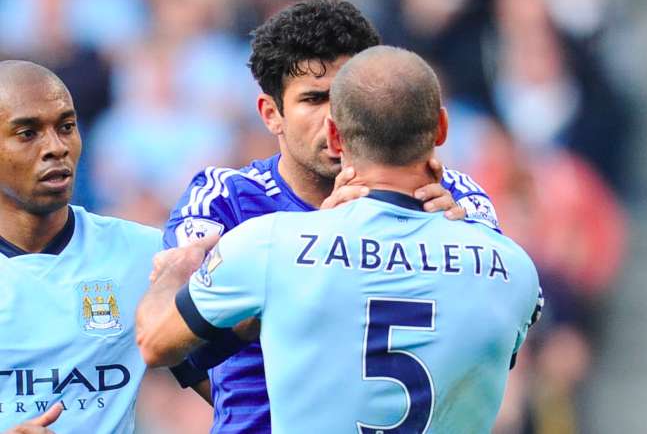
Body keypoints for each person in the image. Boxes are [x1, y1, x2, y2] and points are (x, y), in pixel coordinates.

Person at [136, 45, 542, 433]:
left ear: (337, 134)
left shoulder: (267, 243)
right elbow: (490, 349)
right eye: (312, 97)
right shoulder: (513, 266)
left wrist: (177, 275)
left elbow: (156, 342)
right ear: (441, 127)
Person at [0, 61, 161, 433]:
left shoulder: (143, 256)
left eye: (66, 127)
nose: (56, 148)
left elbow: (236, 390)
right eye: (27, 133)